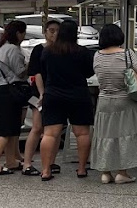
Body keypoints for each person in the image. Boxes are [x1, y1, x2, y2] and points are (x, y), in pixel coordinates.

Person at [35, 19, 95, 181]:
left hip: (53, 95)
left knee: (49, 134)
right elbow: (89, 72)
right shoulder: (83, 52)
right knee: (82, 133)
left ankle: (46, 170)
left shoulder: (48, 51)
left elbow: (44, 70)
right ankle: (81, 168)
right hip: (78, 94)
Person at [91, 24, 137, 185]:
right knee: (125, 135)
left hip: (104, 101)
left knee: (105, 136)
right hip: (125, 100)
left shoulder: (97, 55)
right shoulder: (127, 54)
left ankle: (105, 172)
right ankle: (122, 172)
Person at [0, 20, 28, 175]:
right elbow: (20, 72)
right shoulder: (14, 49)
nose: (24, 36)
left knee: (11, 129)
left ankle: (11, 161)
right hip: (10, 90)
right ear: (18, 33)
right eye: (23, 33)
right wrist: (30, 65)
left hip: (2, 89)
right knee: (5, 130)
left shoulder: (2, 47)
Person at [20, 19, 60, 176]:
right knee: (37, 127)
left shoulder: (61, 50)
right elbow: (35, 73)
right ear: (45, 32)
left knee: (56, 128)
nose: (54, 34)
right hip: (37, 93)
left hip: (56, 92)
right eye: (51, 30)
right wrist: (42, 92)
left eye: (57, 31)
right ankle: (27, 163)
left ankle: (51, 161)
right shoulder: (39, 49)